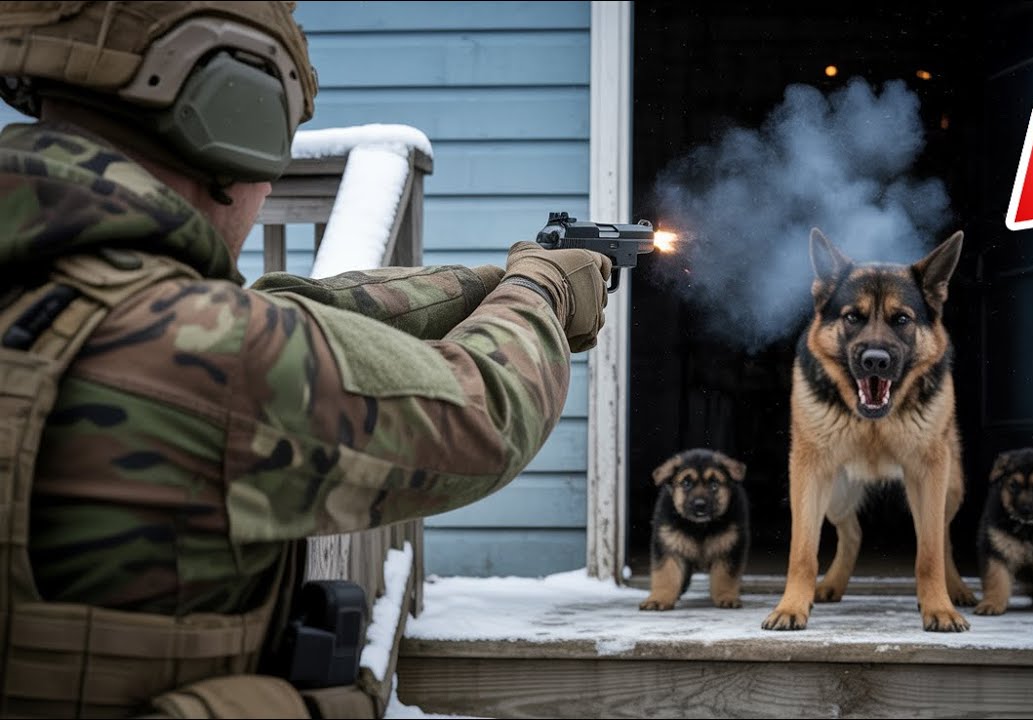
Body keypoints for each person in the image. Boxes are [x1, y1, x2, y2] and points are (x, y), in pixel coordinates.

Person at [0, 2, 611, 718]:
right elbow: (484, 412)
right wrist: (541, 291)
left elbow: (286, 311)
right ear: (237, 130)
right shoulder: (213, 353)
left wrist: (492, 282)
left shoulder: (57, 297)